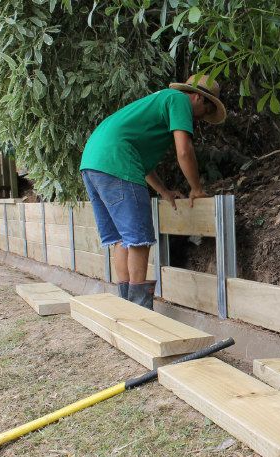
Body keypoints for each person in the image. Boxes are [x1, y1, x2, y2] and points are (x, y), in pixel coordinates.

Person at [79, 75, 226, 310]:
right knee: (138, 240)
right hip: (117, 161)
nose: (201, 118)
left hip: (93, 162)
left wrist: (163, 191)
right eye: (205, 110)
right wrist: (196, 189)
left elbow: (143, 165)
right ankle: (139, 311)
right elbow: (184, 150)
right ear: (198, 97)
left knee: (122, 239)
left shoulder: (158, 102)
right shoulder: (179, 100)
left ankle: (126, 307)